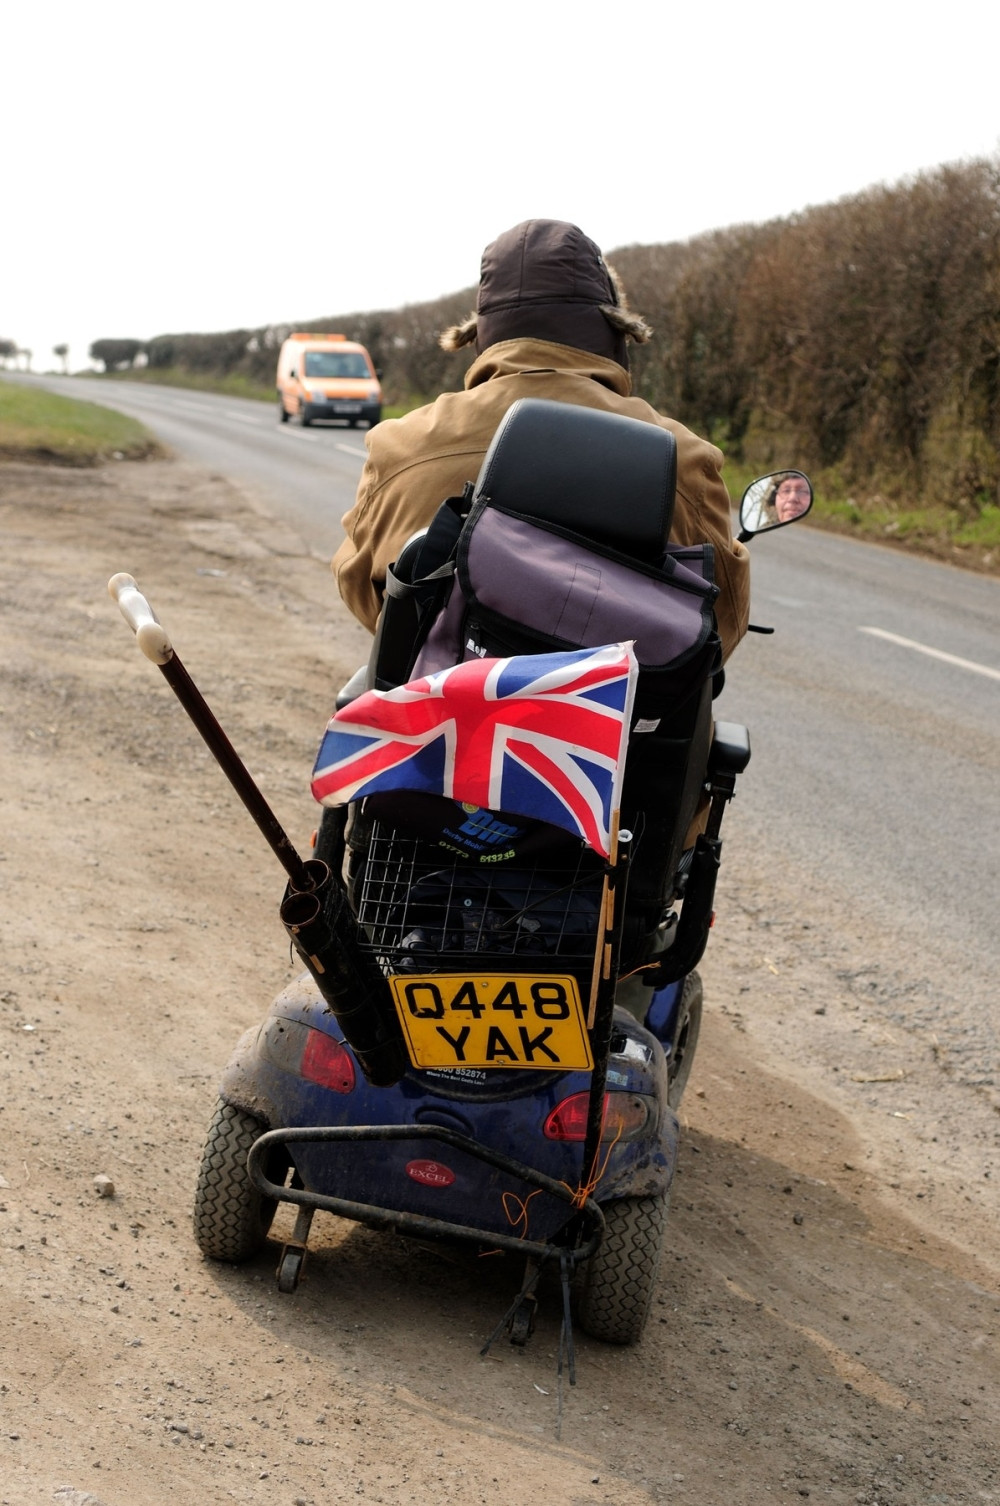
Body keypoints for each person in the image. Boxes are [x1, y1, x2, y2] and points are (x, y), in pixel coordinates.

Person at [332, 219, 750, 663]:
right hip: (624, 726)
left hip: (437, 717)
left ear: (481, 337)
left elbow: (362, 590)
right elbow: (721, 621)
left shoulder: (401, 446)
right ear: (614, 333)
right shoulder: (681, 457)